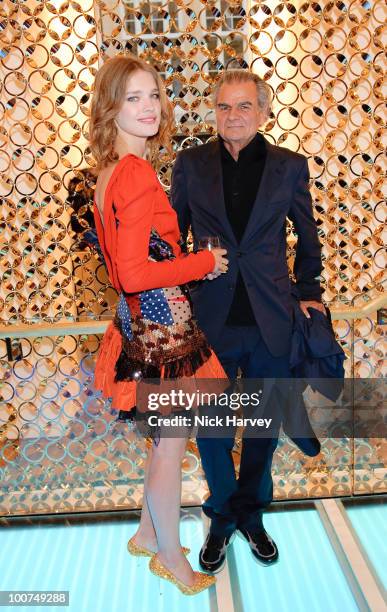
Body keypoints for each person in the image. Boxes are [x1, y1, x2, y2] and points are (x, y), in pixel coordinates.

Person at [171, 69, 325, 572]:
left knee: (262, 427)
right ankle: (221, 519)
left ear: (262, 112)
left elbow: (307, 234)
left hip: (270, 322)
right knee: (213, 429)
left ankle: (252, 517)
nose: (232, 117)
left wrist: (310, 294)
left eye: (243, 107)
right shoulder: (190, 165)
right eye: (223, 107)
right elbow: (174, 240)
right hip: (209, 321)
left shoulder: (289, 167)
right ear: (213, 112)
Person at [89, 54, 229, 595]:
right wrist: (203, 263)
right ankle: (171, 555)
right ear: (111, 109)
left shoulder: (111, 171)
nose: (149, 107)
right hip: (164, 332)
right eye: (133, 98)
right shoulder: (136, 174)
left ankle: (149, 534)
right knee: (172, 445)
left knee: (165, 444)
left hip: (143, 327)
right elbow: (131, 272)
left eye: (153, 95)